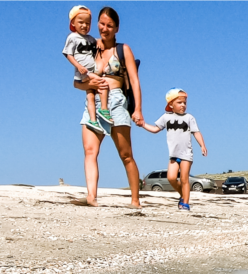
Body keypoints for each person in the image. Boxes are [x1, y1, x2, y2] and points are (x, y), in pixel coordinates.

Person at [73, 6, 142, 208]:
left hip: (116, 101)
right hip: (93, 103)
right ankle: (91, 197)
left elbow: (135, 82)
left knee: (126, 154)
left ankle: (135, 201)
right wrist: (90, 84)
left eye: (109, 25)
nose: (105, 28)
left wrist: (137, 109)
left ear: (117, 28)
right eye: (102, 24)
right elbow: (76, 82)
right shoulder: (89, 47)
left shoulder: (123, 49)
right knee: (90, 151)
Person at [141, 89, 207, 211]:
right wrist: (143, 124)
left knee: (184, 178)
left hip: (186, 153)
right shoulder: (166, 117)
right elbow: (156, 129)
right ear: (171, 104)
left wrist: (202, 145)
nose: (183, 105)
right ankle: (183, 194)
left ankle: (185, 203)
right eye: (179, 102)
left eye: (184, 103)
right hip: (173, 154)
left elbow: (196, 132)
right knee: (171, 178)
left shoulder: (189, 118)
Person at [63, 5, 110, 135]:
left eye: (87, 23)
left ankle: (93, 120)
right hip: (84, 72)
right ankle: (104, 109)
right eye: (81, 22)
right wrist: (78, 66)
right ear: (73, 23)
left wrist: (100, 41)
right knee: (103, 83)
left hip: (91, 71)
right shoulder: (72, 37)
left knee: (90, 96)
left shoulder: (90, 39)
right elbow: (68, 54)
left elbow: (98, 42)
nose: (84, 26)